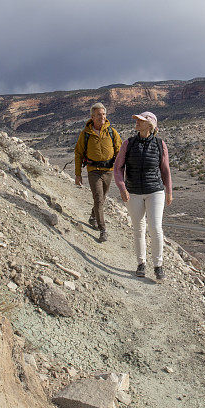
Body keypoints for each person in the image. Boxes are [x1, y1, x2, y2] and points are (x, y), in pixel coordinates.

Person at [113, 111, 173, 281]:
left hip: (155, 190)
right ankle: (141, 263)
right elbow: (118, 168)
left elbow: (165, 170)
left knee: (155, 227)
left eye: (141, 120)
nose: (137, 123)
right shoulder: (128, 143)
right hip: (133, 192)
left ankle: (158, 266)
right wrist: (122, 187)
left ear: (150, 125)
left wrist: (169, 191)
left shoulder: (160, 144)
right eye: (137, 120)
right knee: (138, 228)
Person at [74, 103, 122, 242]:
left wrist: (121, 170)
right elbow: (78, 153)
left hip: (108, 171)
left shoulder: (112, 132)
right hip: (93, 171)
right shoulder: (85, 134)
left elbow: (119, 152)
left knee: (102, 198)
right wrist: (78, 174)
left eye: (104, 114)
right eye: (99, 115)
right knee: (98, 199)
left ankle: (93, 216)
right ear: (92, 117)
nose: (102, 117)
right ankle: (103, 230)